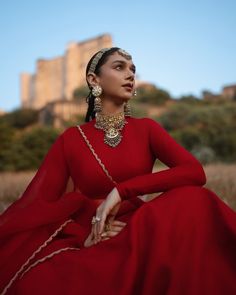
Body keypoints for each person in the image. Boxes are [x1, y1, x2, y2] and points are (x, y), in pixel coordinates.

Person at [0, 47, 236, 295]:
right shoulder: (71, 139)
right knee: (38, 283)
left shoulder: (146, 129)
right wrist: (88, 234)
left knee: (194, 199)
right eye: (119, 67)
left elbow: (194, 172)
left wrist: (121, 191)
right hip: (94, 236)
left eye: (133, 69)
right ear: (94, 80)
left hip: (140, 228)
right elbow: (42, 206)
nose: (130, 74)